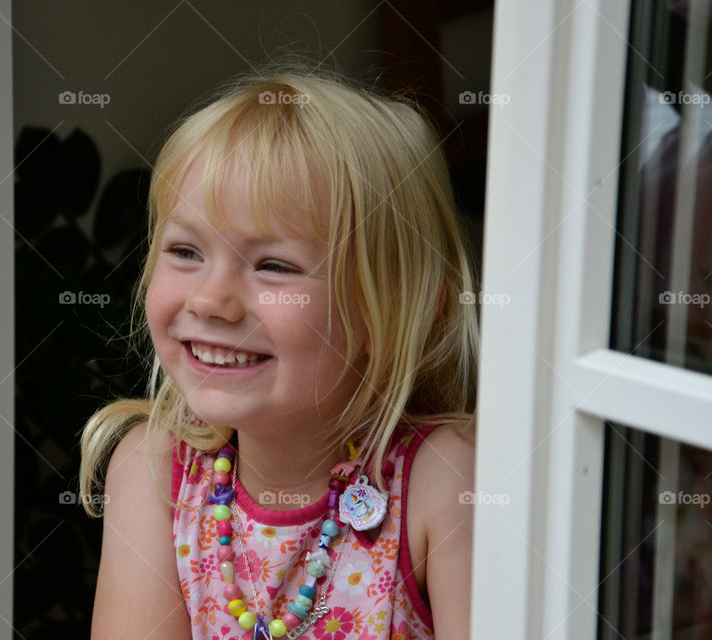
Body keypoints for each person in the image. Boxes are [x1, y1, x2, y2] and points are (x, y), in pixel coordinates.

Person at [79, 67, 478, 639]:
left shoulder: (440, 481)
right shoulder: (155, 470)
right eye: (186, 250)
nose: (211, 299)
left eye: (274, 266)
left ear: (398, 310)